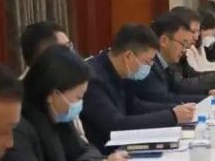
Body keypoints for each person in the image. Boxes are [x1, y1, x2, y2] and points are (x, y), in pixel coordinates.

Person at [0, 45, 129, 161]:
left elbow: (88, 151)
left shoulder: (59, 115)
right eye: (78, 97)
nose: (80, 103)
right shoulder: (17, 125)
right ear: (53, 94)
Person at [80, 24, 196, 153]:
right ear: (128, 56)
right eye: (147, 62)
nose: (150, 66)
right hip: (106, 154)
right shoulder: (93, 80)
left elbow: (135, 106)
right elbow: (117, 125)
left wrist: (176, 109)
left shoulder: (122, 71)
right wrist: (172, 116)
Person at [135, 12, 215, 107]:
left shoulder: (166, 62)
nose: (184, 49)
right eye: (183, 43)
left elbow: (176, 91)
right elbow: (163, 99)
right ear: (164, 41)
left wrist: (208, 94)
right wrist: (207, 97)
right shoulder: (148, 65)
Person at [167, 6, 215, 92]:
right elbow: (181, 85)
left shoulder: (191, 47)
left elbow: (193, 74)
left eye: (197, 31)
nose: (196, 37)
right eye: (193, 31)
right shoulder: (183, 49)